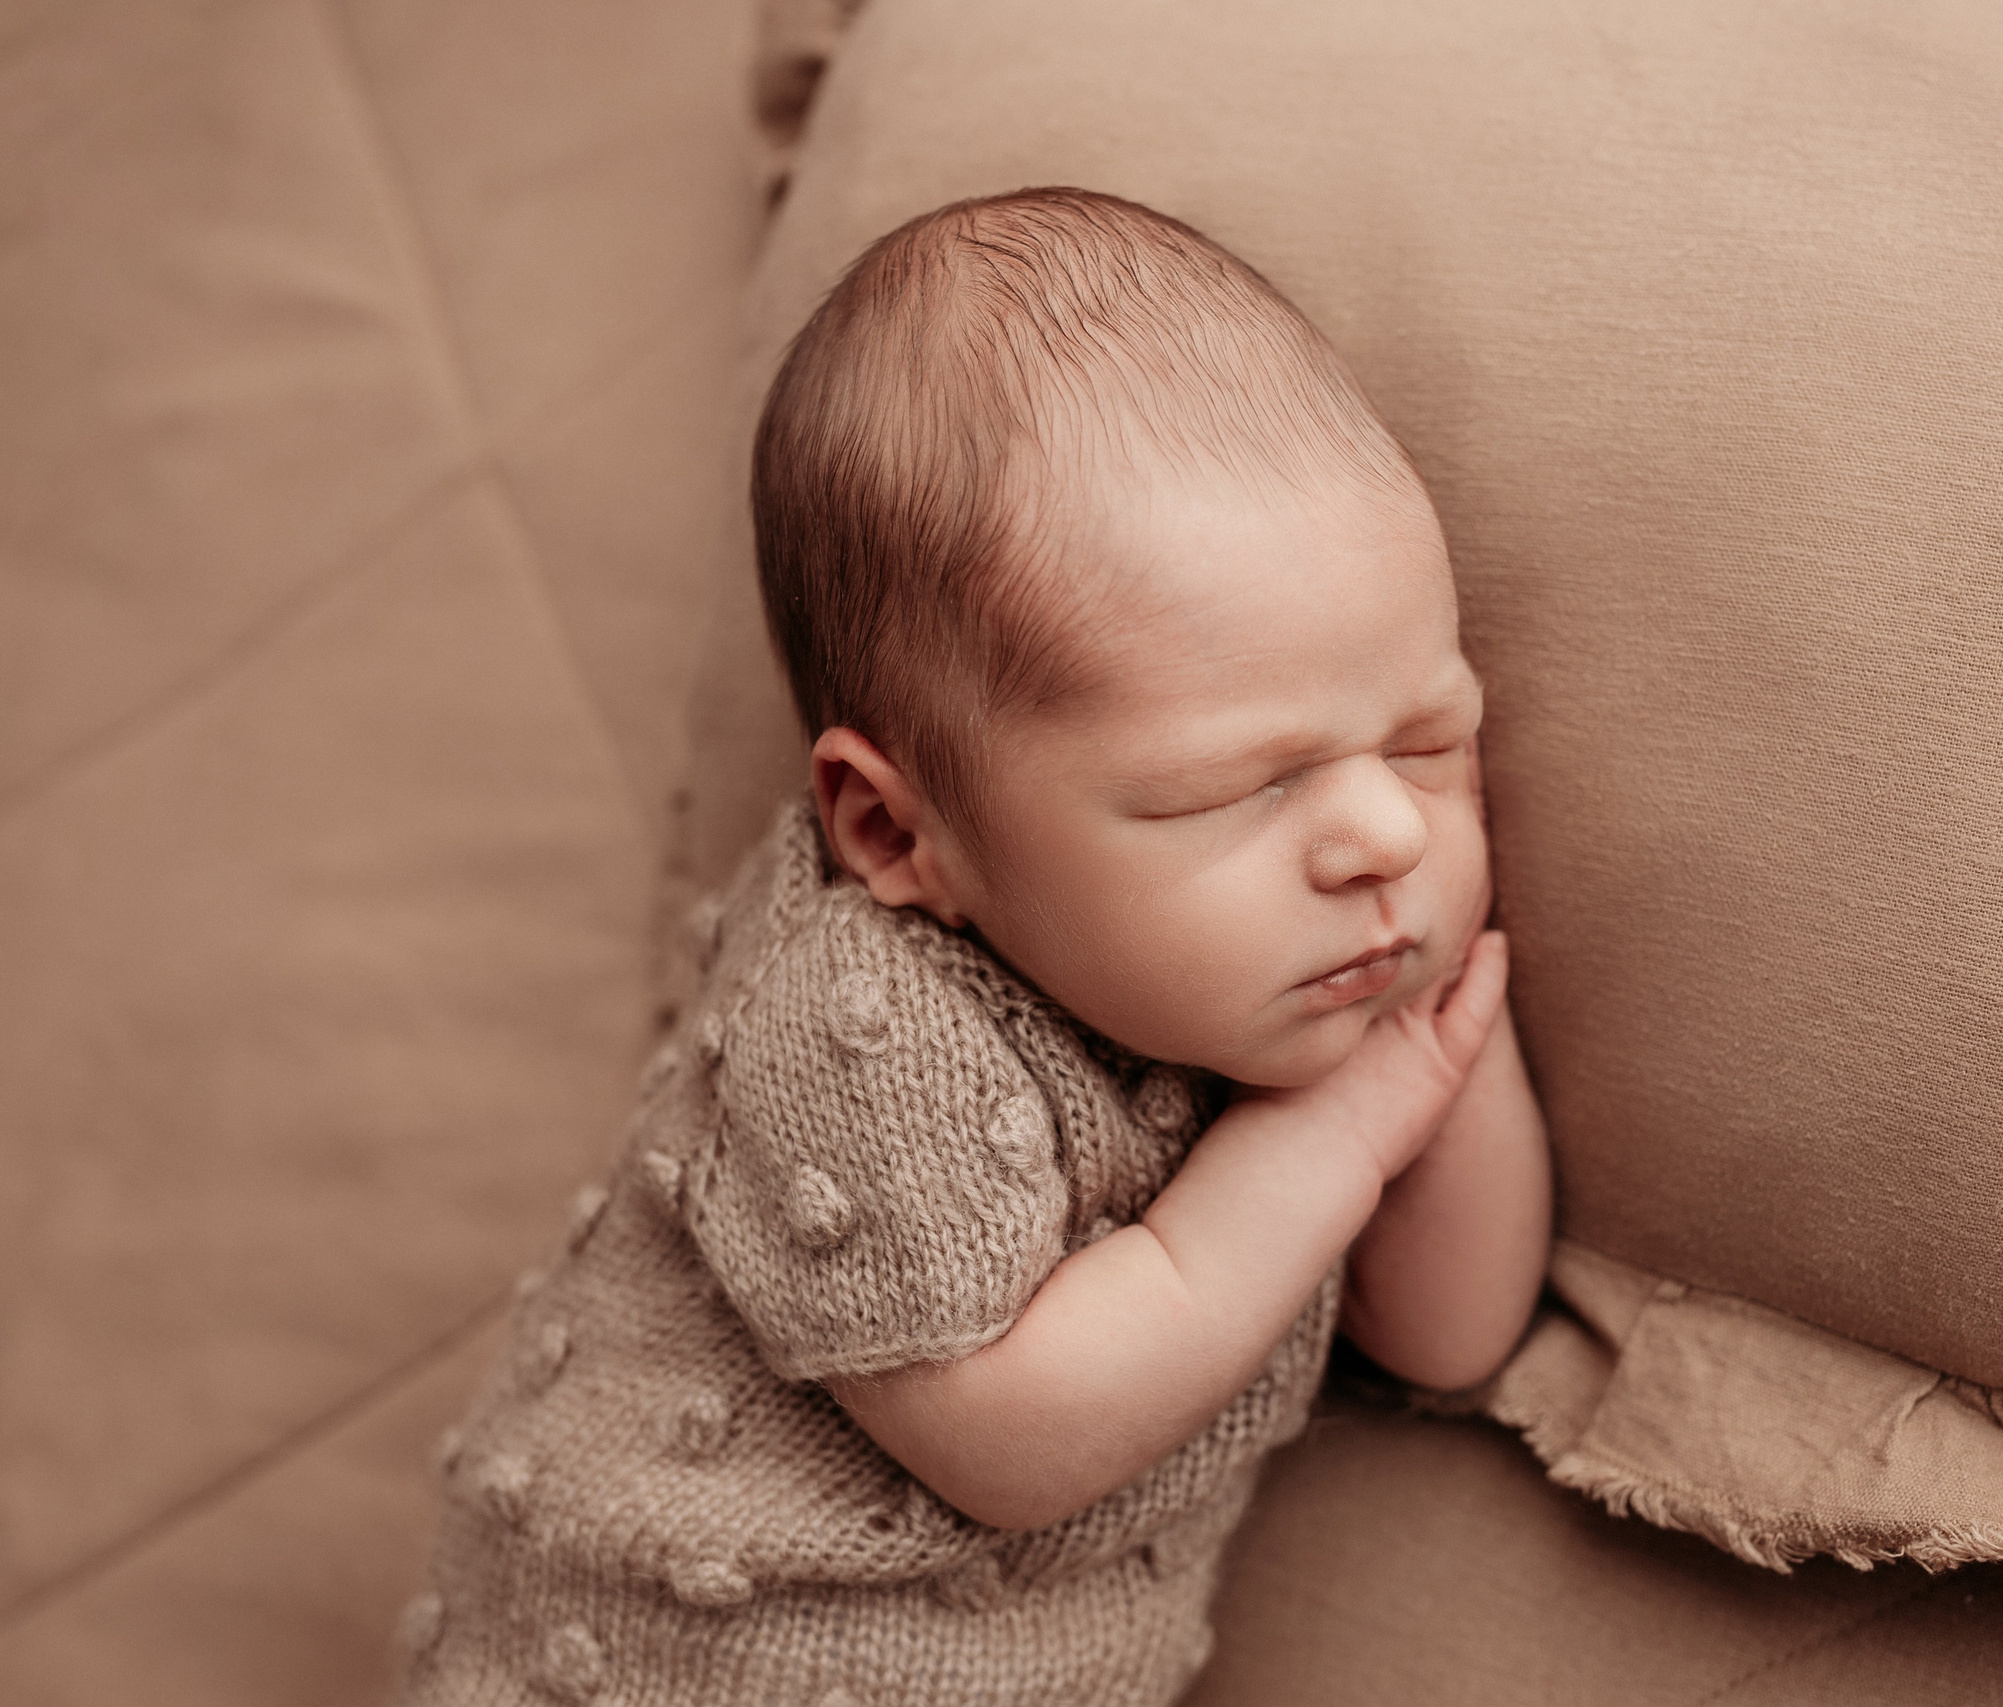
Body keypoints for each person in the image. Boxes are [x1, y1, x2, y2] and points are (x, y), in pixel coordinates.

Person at [394, 186, 1551, 1707]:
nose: (1381, 840)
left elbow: (1453, 1333)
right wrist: (1332, 1139)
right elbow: (1017, 1441)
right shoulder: (853, 1018)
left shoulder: (1251, 984)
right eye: (1241, 787)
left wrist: (1430, 1057)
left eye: (1425, 742)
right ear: (894, 834)